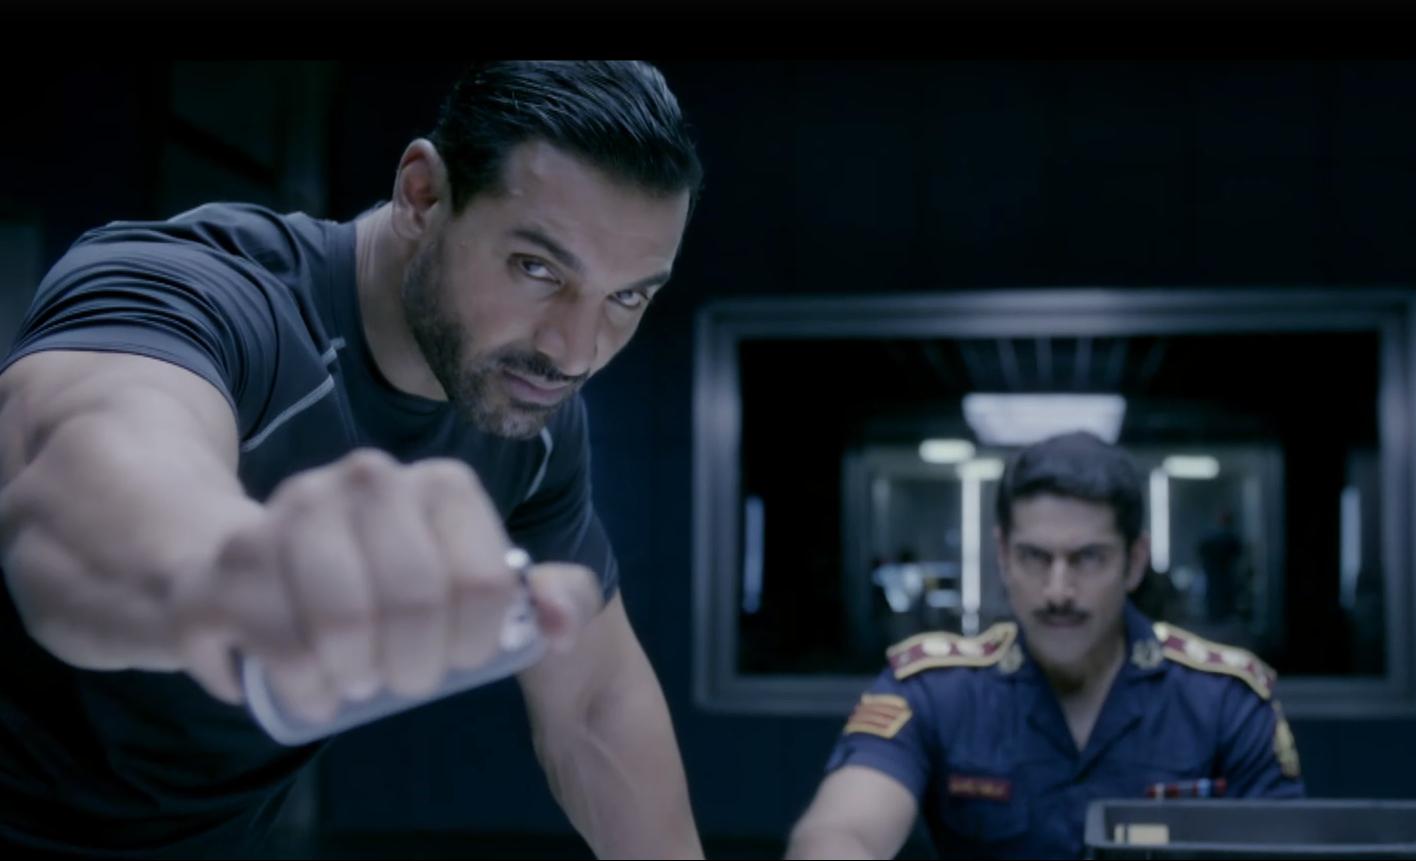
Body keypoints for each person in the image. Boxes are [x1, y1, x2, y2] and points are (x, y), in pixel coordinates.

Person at [0, 61, 704, 859]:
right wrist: (229, 575)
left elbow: (594, 706)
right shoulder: (198, 291)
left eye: (627, 296)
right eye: (536, 268)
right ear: (422, 195)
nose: (573, 352)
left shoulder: (531, 422)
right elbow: (79, 478)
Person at [786, 431, 1303, 860]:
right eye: (1035, 557)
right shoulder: (937, 691)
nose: (1058, 591)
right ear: (1003, 555)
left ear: (1135, 562)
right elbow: (840, 831)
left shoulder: (1223, 700)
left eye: (1088, 558)